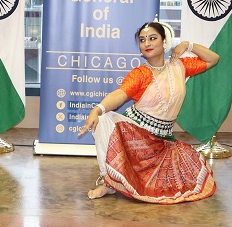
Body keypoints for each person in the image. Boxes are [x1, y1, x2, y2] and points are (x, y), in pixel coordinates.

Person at [78, 19, 220, 203]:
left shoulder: (180, 67)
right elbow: (121, 94)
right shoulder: (140, 74)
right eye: (143, 40)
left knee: (178, 181)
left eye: (152, 38)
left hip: (163, 142)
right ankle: (108, 183)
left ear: (164, 41)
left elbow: (213, 59)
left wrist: (187, 45)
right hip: (136, 139)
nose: (147, 43)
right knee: (104, 121)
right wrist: (98, 108)